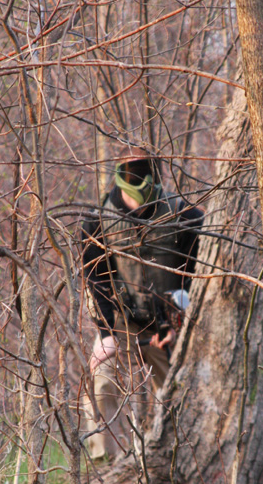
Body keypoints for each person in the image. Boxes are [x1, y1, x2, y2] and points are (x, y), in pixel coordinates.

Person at [82, 148, 204, 460]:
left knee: (180, 392)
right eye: (132, 173)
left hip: (167, 323)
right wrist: (106, 334)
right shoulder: (97, 222)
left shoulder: (184, 216)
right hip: (121, 321)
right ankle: (103, 464)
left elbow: (193, 274)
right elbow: (95, 279)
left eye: (144, 171)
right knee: (100, 380)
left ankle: (178, 459)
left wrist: (179, 324)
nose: (140, 180)